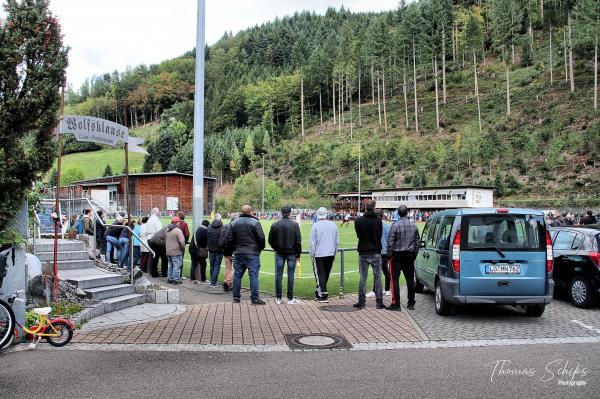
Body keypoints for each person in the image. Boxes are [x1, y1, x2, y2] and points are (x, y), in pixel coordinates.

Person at [226, 205, 266, 305]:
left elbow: (229, 239)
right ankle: (255, 298)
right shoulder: (255, 222)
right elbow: (261, 239)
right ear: (251, 212)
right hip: (252, 253)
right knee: (253, 276)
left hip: (239, 252)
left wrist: (234, 249)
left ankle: (236, 297)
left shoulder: (234, 223)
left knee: (238, 275)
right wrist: (258, 249)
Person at [386, 205, 421, 311]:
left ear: (398, 213)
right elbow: (417, 242)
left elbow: (390, 242)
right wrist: (414, 254)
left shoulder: (395, 225)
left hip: (397, 256)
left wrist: (389, 254)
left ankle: (396, 303)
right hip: (409, 255)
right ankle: (411, 303)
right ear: (407, 213)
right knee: (410, 280)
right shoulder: (413, 225)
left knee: (395, 280)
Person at [353, 201, 385, 310]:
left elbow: (358, 235)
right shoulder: (378, 220)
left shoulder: (358, 221)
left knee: (363, 278)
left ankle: (361, 302)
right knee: (378, 278)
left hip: (363, 252)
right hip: (375, 251)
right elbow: (379, 235)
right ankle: (379, 302)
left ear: (365, 208)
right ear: (374, 208)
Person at [268, 205, 302, 305]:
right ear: (290, 213)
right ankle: (290, 298)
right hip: (291, 253)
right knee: (290, 275)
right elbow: (298, 241)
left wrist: (276, 248)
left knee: (279, 275)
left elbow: (270, 240)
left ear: (281, 212)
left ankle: (278, 298)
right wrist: (298, 254)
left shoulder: (275, 224)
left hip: (280, 252)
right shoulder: (294, 225)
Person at [309, 207, 339, 303]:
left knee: (320, 274)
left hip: (319, 254)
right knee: (325, 273)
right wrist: (334, 252)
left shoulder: (315, 226)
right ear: (327, 214)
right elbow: (336, 241)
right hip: (330, 253)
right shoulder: (334, 225)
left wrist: (312, 254)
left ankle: (324, 295)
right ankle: (319, 292)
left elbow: (312, 242)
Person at [367, 211, 391, 298]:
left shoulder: (374, 226)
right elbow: (390, 240)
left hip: (378, 252)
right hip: (384, 252)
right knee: (385, 271)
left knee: (377, 272)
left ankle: (375, 290)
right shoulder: (387, 226)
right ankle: (387, 289)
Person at [219, 213, 238, 292]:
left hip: (225, 250)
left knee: (228, 268)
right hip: (233, 251)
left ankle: (228, 285)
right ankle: (227, 282)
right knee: (237, 268)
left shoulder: (225, 226)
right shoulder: (235, 228)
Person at [147, 208, 167, 277]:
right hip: (156, 240)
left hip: (149, 239)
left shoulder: (149, 219)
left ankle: (153, 272)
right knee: (163, 257)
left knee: (153, 257)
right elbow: (160, 231)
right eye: (159, 211)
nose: (159, 213)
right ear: (156, 212)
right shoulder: (156, 220)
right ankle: (164, 272)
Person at [166, 216, 186, 284]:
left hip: (168, 251)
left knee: (170, 265)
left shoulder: (167, 230)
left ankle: (169, 278)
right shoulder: (178, 231)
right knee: (176, 266)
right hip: (176, 251)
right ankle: (176, 279)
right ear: (177, 222)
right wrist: (183, 248)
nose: (179, 223)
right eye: (179, 222)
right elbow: (182, 242)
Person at [207, 214, 224, 287]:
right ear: (220, 219)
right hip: (219, 249)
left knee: (212, 265)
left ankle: (213, 281)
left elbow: (207, 237)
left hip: (211, 248)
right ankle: (213, 282)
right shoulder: (222, 227)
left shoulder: (209, 226)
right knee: (217, 265)